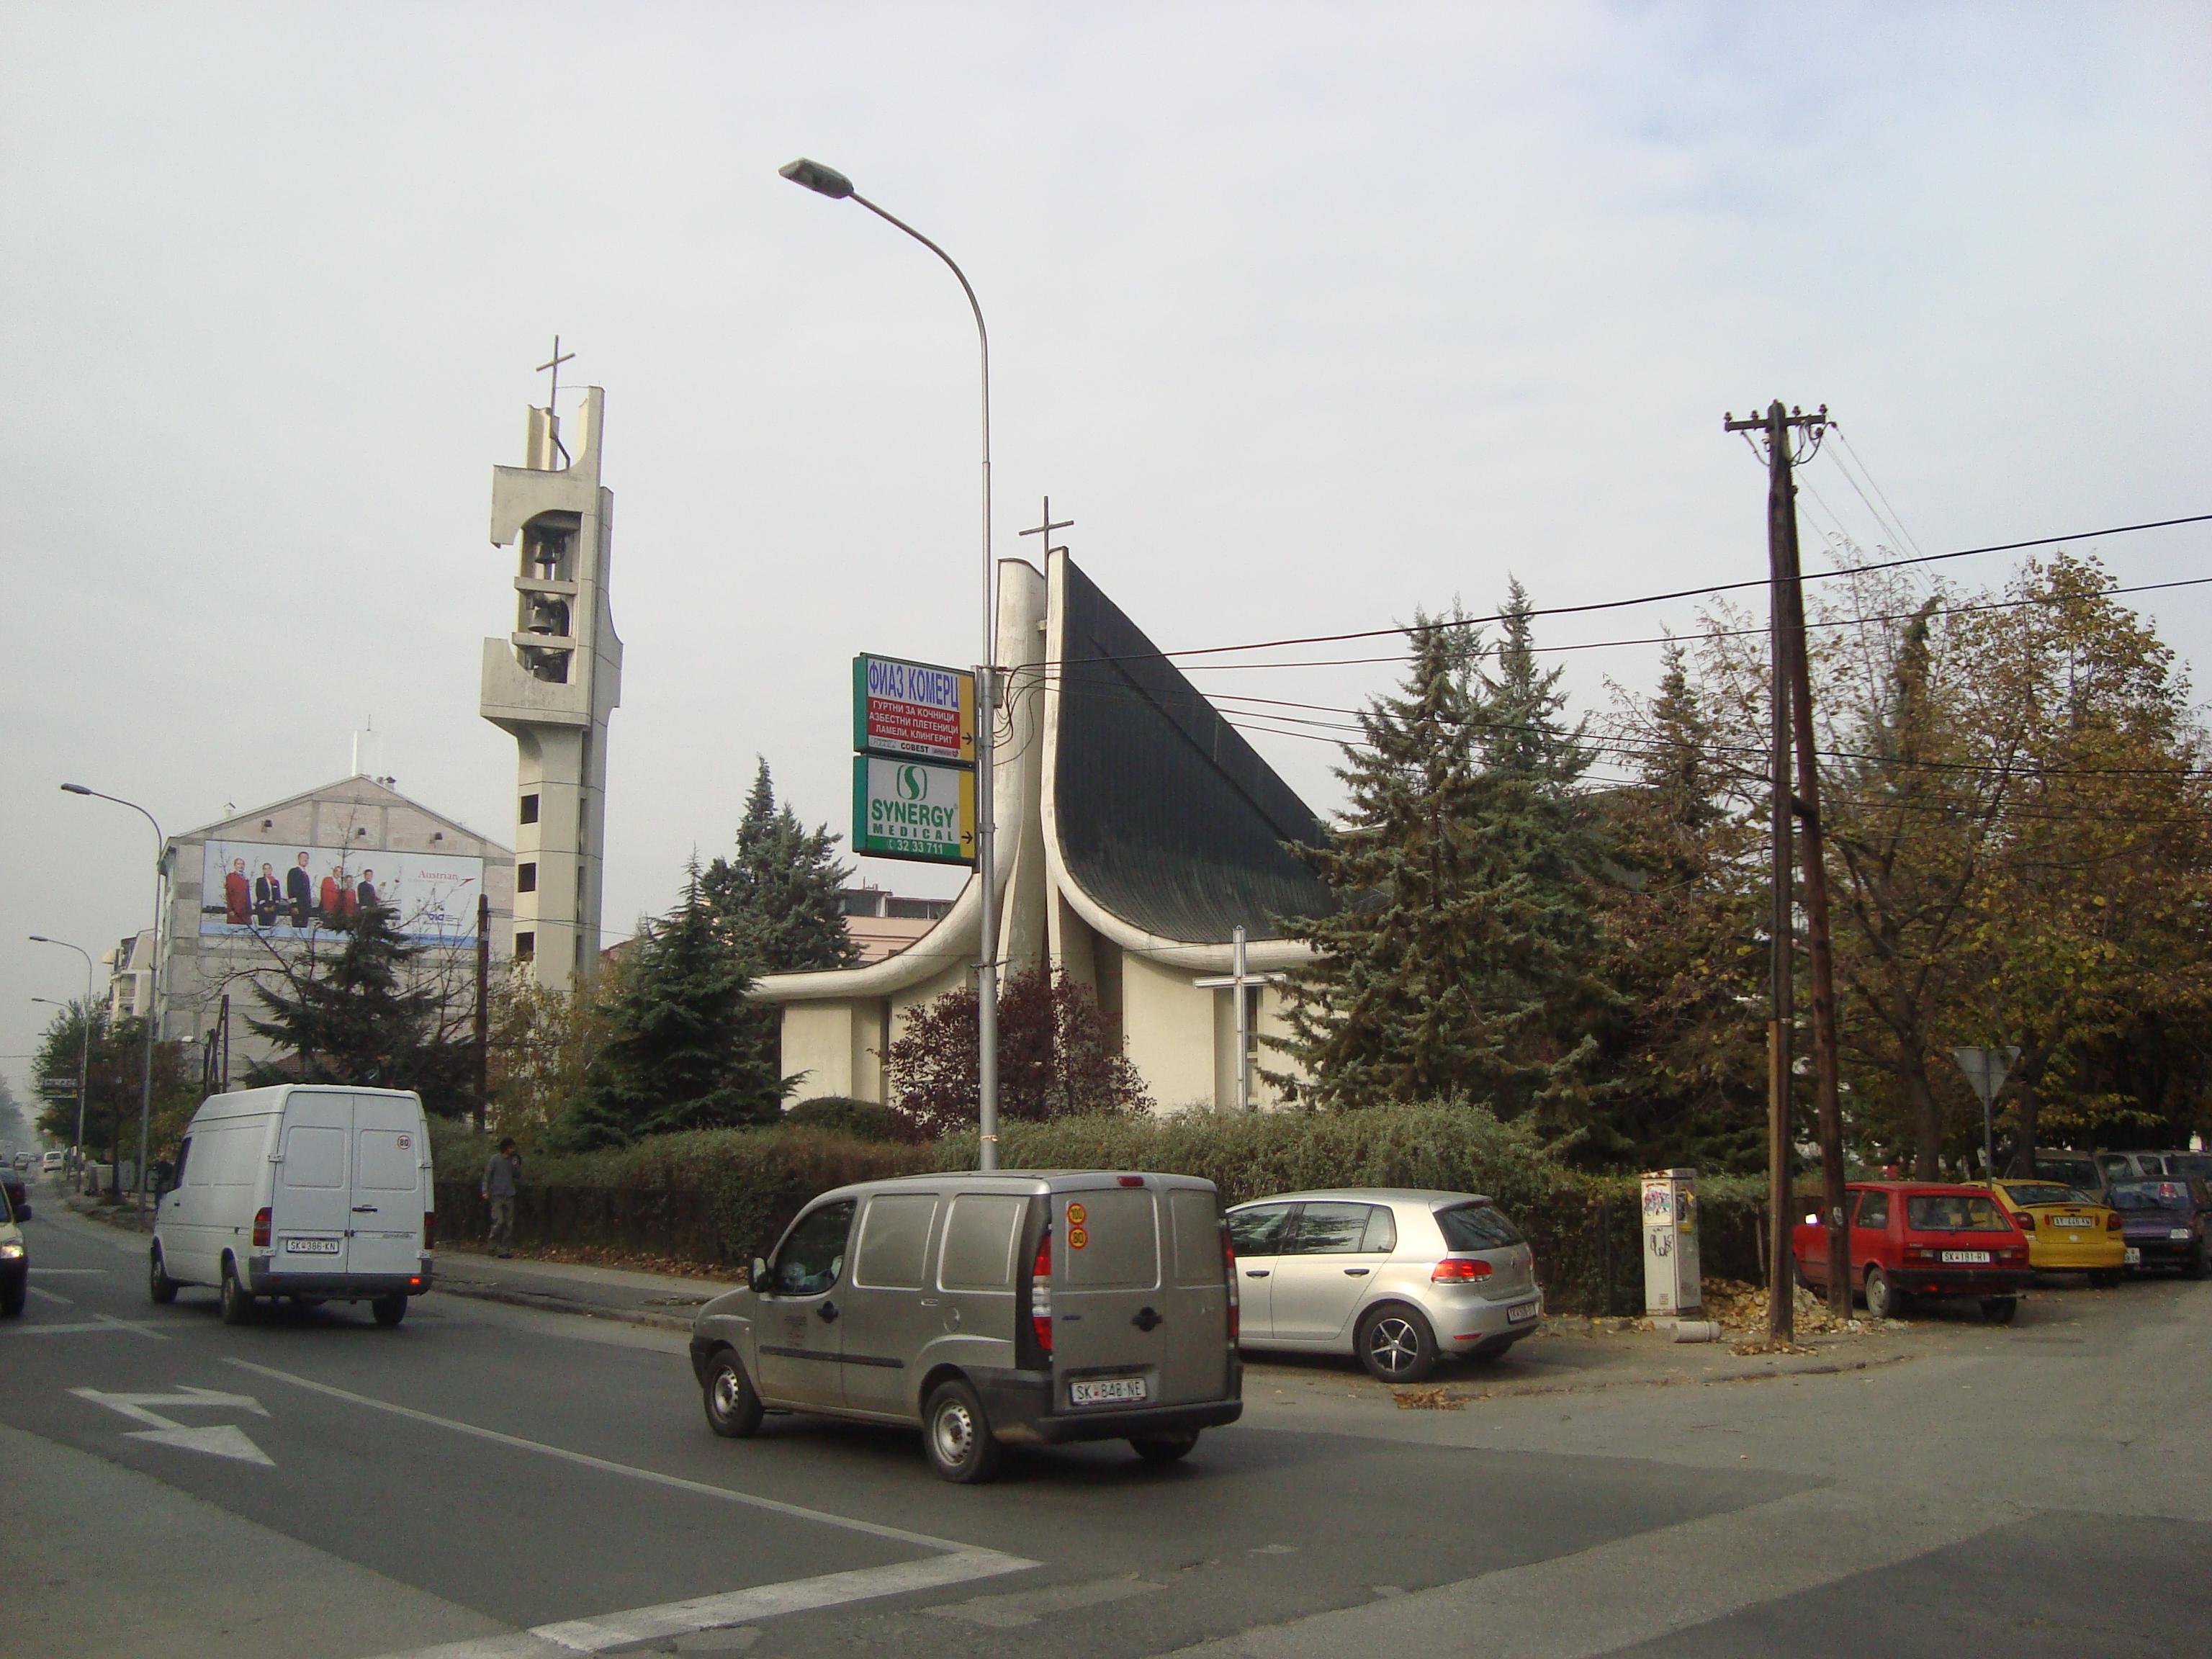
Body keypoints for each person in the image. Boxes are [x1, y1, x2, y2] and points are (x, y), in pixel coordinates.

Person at [481, 1138, 521, 1258]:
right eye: (510, 1148)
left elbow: (518, 1175)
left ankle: (505, 1249)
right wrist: (485, 1191)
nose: (512, 1150)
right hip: (496, 1195)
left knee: (509, 1224)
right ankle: (492, 1245)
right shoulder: (495, 1159)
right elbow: (487, 1176)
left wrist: (516, 1165)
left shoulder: (513, 1160)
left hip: (509, 1194)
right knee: (499, 1221)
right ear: (505, 1148)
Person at [286, 853, 313, 929]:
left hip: (305, 908)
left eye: (307, 858)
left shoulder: (305, 875)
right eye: (303, 857)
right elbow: (291, 889)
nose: (305, 860)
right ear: (298, 859)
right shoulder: (294, 872)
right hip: (298, 907)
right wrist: (294, 905)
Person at [253, 862, 284, 928]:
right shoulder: (260, 881)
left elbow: (278, 895)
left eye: (269, 868)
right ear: (263, 871)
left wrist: (274, 906)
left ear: (271, 869)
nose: (267, 870)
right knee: (263, 926)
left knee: (271, 927)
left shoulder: (275, 882)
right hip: (263, 907)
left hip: (273, 907)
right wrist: (265, 907)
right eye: (265, 869)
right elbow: (259, 894)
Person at [222, 858, 251, 925]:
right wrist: (230, 909)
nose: (241, 866)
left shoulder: (246, 878)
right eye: (238, 864)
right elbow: (229, 894)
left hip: (245, 912)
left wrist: (250, 911)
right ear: (235, 866)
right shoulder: (231, 876)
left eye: (242, 864)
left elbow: (248, 896)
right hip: (235, 911)